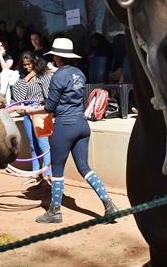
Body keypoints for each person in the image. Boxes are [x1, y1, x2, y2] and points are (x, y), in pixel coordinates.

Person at [16, 37, 119, 224]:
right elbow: (66, 98)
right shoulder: (79, 73)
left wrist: (30, 110)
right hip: (81, 125)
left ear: (56, 57)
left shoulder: (58, 76)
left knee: (57, 170)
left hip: (65, 126)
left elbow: (50, 108)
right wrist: (44, 103)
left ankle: (55, 211)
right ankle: (109, 205)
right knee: (85, 168)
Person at [10, 51, 53, 186]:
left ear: (35, 62)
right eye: (25, 65)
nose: (27, 67)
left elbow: (49, 95)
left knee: (43, 145)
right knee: (33, 146)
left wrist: (42, 106)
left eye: (29, 64)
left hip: (40, 111)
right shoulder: (24, 77)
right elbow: (18, 96)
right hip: (27, 111)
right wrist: (29, 76)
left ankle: (47, 175)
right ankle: (36, 175)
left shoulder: (45, 75)